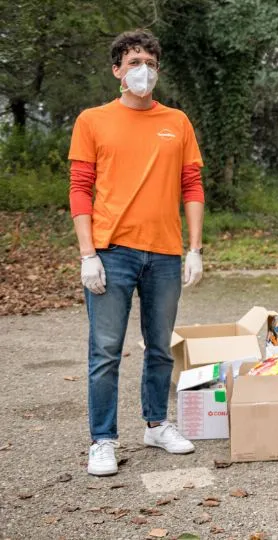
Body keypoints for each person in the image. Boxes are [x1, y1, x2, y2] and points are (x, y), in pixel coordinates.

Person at [69, 29, 206, 476]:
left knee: (161, 348)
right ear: (117, 71)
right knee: (105, 351)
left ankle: (156, 424)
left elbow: (192, 186)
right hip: (112, 253)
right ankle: (103, 440)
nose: (142, 70)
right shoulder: (93, 120)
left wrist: (195, 249)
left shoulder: (177, 122)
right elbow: (80, 189)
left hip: (165, 253)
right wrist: (88, 253)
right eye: (133, 63)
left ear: (157, 70)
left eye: (148, 62)